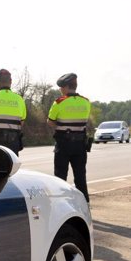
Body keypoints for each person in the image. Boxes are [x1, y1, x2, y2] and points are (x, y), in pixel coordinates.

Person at [47, 72, 91, 202]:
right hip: (80, 145)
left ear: (66, 87)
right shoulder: (86, 102)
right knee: (80, 177)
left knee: (60, 177)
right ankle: (85, 203)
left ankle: (60, 202)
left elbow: (50, 121)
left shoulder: (59, 102)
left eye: (61, 87)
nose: (60, 90)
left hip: (64, 144)